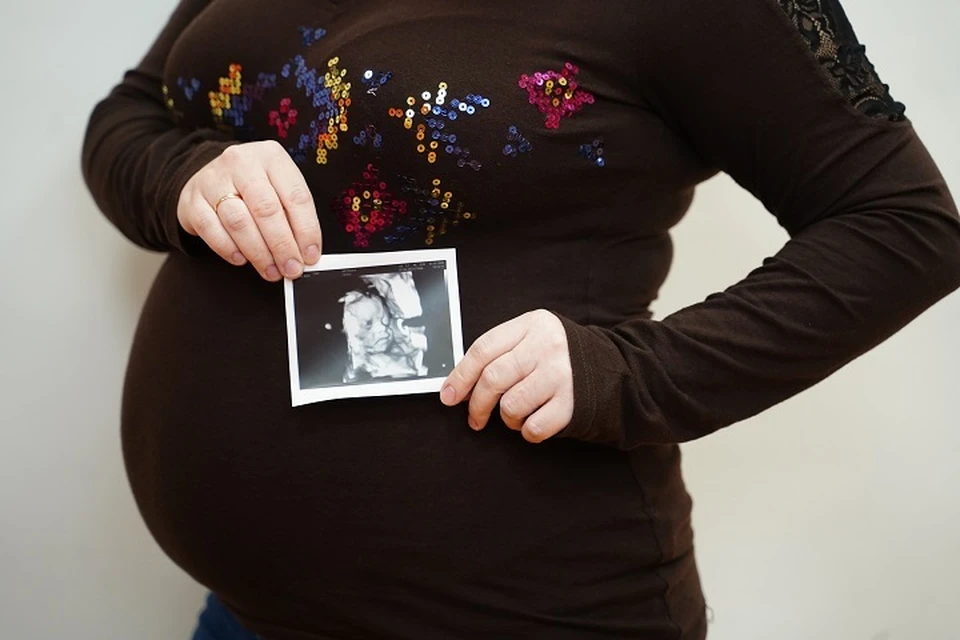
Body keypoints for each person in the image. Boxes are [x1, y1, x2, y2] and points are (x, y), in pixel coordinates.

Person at [81, 0, 960, 638]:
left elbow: (908, 226)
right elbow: (131, 112)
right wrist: (184, 175)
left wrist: (631, 372)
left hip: (511, 608)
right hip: (244, 613)